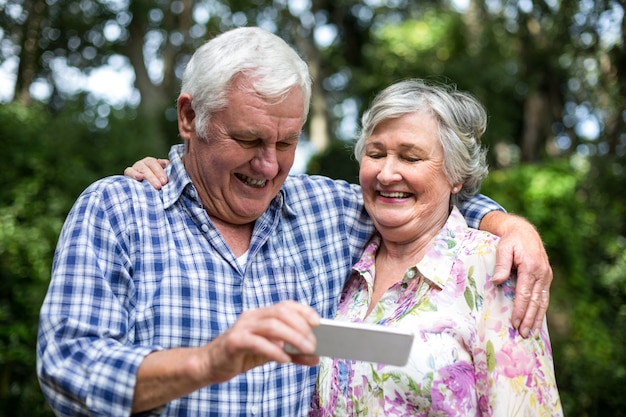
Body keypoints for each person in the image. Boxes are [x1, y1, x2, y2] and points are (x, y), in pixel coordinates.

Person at [37, 26, 551, 417]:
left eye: (286, 143)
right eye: (248, 140)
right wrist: (208, 363)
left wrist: (509, 228)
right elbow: (67, 367)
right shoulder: (118, 211)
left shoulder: (326, 209)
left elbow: (418, 204)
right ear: (190, 118)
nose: (268, 166)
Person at [306, 79, 562, 415]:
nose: (386, 173)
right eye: (376, 153)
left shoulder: (493, 270)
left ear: (456, 175)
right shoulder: (348, 265)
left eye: (410, 158)